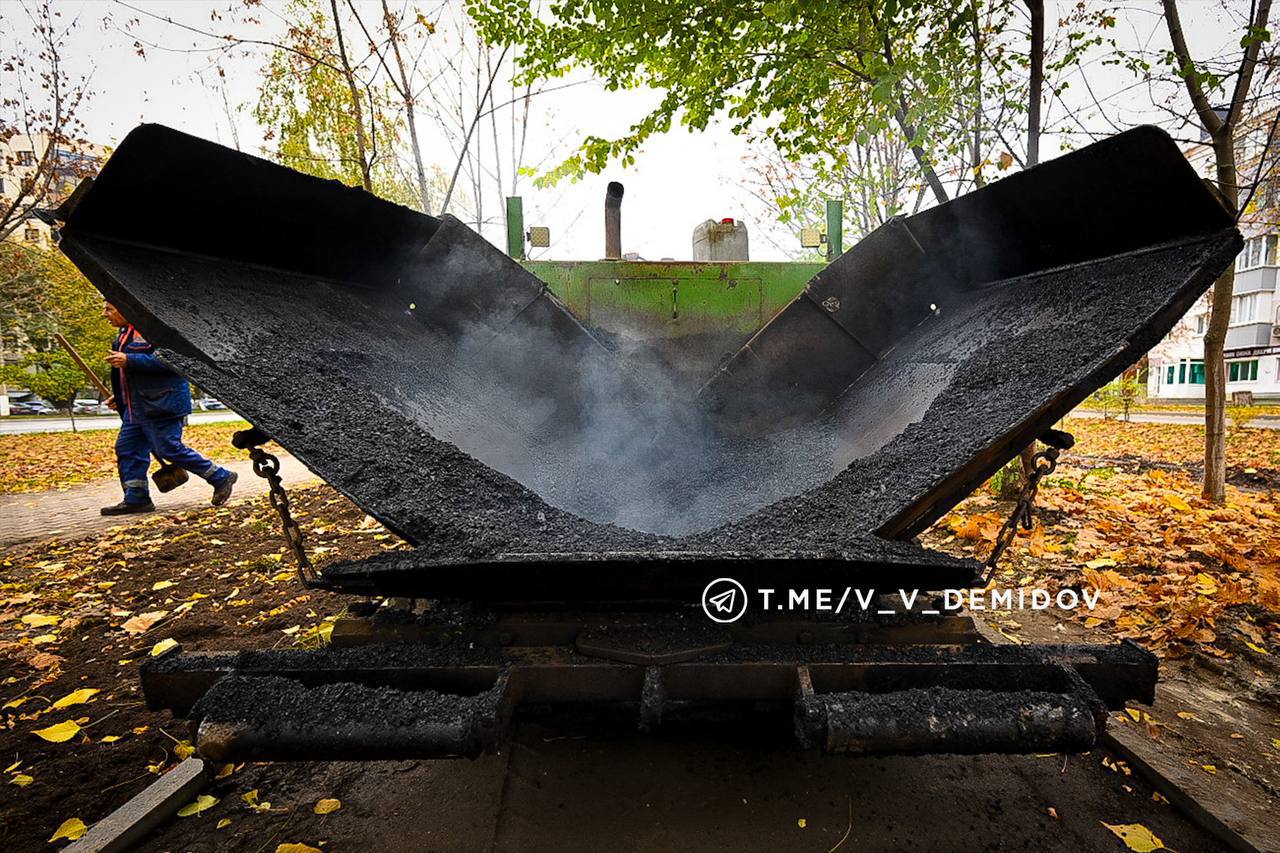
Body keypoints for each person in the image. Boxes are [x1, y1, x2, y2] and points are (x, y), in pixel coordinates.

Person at [100, 301, 237, 515]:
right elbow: (129, 374)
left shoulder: (156, 329)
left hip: (162, 404)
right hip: (136, 407)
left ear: (126, 307)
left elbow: (178, 362)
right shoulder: (124, 334)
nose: (104, 314)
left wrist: (131, 360)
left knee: (168, 448)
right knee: (128, 449)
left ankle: (220, 476)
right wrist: (120, 397)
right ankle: (136, 498)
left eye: (109, 309)